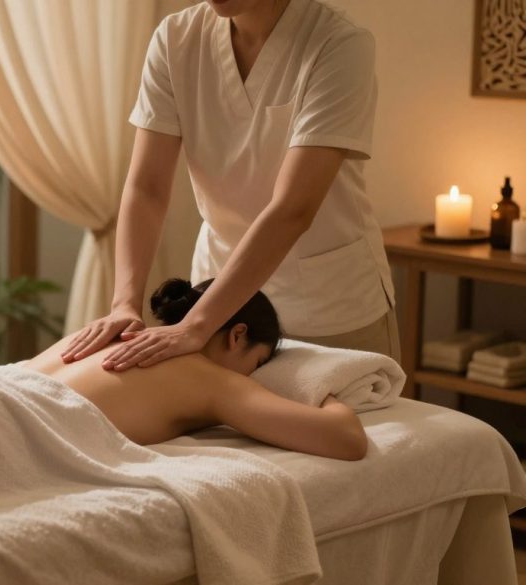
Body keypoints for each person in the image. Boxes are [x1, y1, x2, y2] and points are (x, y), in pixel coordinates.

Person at [61, 0, 399, 372]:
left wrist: (195, 325)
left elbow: (292, 209)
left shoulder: (339, 44)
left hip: (327, 307)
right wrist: (124, 304)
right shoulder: (176, 39)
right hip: (219, 303)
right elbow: (147, 188)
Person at [26, 278, 367, 459]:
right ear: (237, 335)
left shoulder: (110, 333)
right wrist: (319, 387)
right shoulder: (207, 377)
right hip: (22, 431)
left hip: (2, 393)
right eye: (258, 363)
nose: (251, 376)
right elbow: (347, 440)